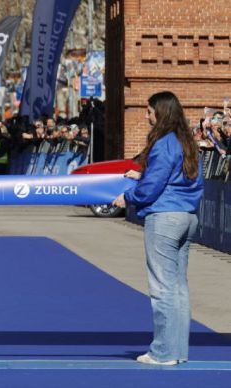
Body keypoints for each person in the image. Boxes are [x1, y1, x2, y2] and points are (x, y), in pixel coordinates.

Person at [112, 91, 204, 366]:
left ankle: (163, 352)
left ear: (160, 113)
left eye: (149, 111)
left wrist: (128, 196)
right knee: (178, 287)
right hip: (186, 215)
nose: (147, 116)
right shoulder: (187, 143)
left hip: (165, 217)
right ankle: (177, 350)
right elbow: (177, 178)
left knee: (162, 287)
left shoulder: (164, 143)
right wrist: (141, 175)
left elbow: (153, 187)